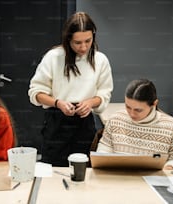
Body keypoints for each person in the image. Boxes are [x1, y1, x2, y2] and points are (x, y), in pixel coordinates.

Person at [28, 12, 113, 166]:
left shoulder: (100, 60)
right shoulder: (53, 57)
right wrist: (58, 103)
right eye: (77, 42)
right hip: (56, 121)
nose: (83, 47)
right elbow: (36, 92)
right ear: (68, 39)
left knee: (84, 171)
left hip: (84, 122)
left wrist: (90, 102)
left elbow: (104, 93)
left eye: (88, 41)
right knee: (52, 171)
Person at [97, 79, 173, 170]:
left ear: (154, 104)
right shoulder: (115, 119)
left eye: (138, 110)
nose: (131, 114)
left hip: (154, 181)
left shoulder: (171, 126)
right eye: (128, 107)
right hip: (120, 179)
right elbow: (104, 149)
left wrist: (169, 168)